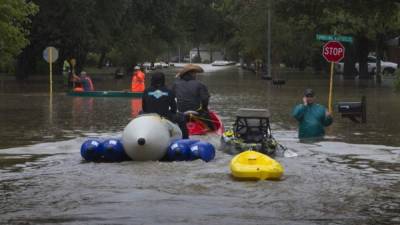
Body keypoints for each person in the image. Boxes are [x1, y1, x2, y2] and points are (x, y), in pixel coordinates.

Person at [142, 72, 189, 138]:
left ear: (152, 80)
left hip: (149, 116)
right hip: (164, 116)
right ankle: (185, 139)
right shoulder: (169, 91)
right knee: (182, 117)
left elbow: (144, 107)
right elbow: (174, 108)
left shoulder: (146, 91)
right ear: (163, 80)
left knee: (140, 112)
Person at [172, 64, 215, 130]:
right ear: (190, 73)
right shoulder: (200, 84)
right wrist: (204, 109)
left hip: (181, 113)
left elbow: (171, 98)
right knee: (212, 128)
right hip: (197, 113)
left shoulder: (176, 84)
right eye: (194, 73)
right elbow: (205, 99)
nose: (195, 74)